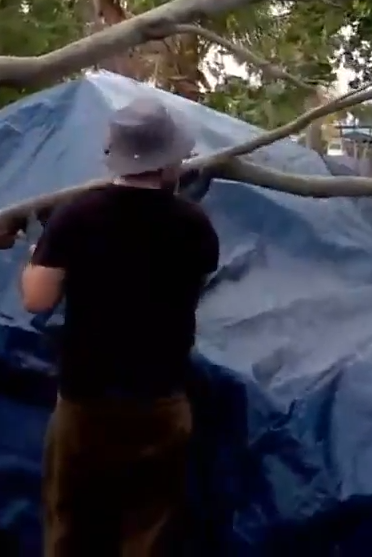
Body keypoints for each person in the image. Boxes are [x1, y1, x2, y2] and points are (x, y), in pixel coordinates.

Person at [20, 97, 220, 557]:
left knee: (71, 527)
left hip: (86, 401)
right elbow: (198, 283)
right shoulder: (193, 225)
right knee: (149, 532)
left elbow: (37, 299)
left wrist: (37, 254)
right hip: (160, 401)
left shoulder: (76, 216)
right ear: (169, 160)